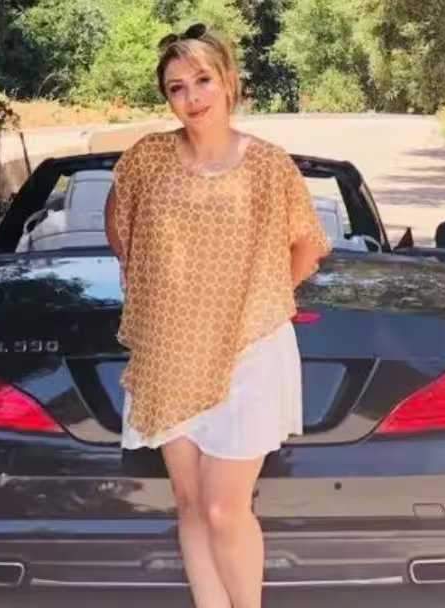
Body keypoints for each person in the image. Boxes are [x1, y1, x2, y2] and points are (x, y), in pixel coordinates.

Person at [103, 22, 331, 608]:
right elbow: (118, 222)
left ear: (228, 80)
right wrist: (152, 281)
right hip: (170, 352)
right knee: (190, 505)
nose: (192, 97)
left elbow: (307, 245)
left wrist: (258, 296)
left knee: (224, 508)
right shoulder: (148, 159)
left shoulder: (269, 166)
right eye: (176, 88)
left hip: (247, 352)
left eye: (202, 80)